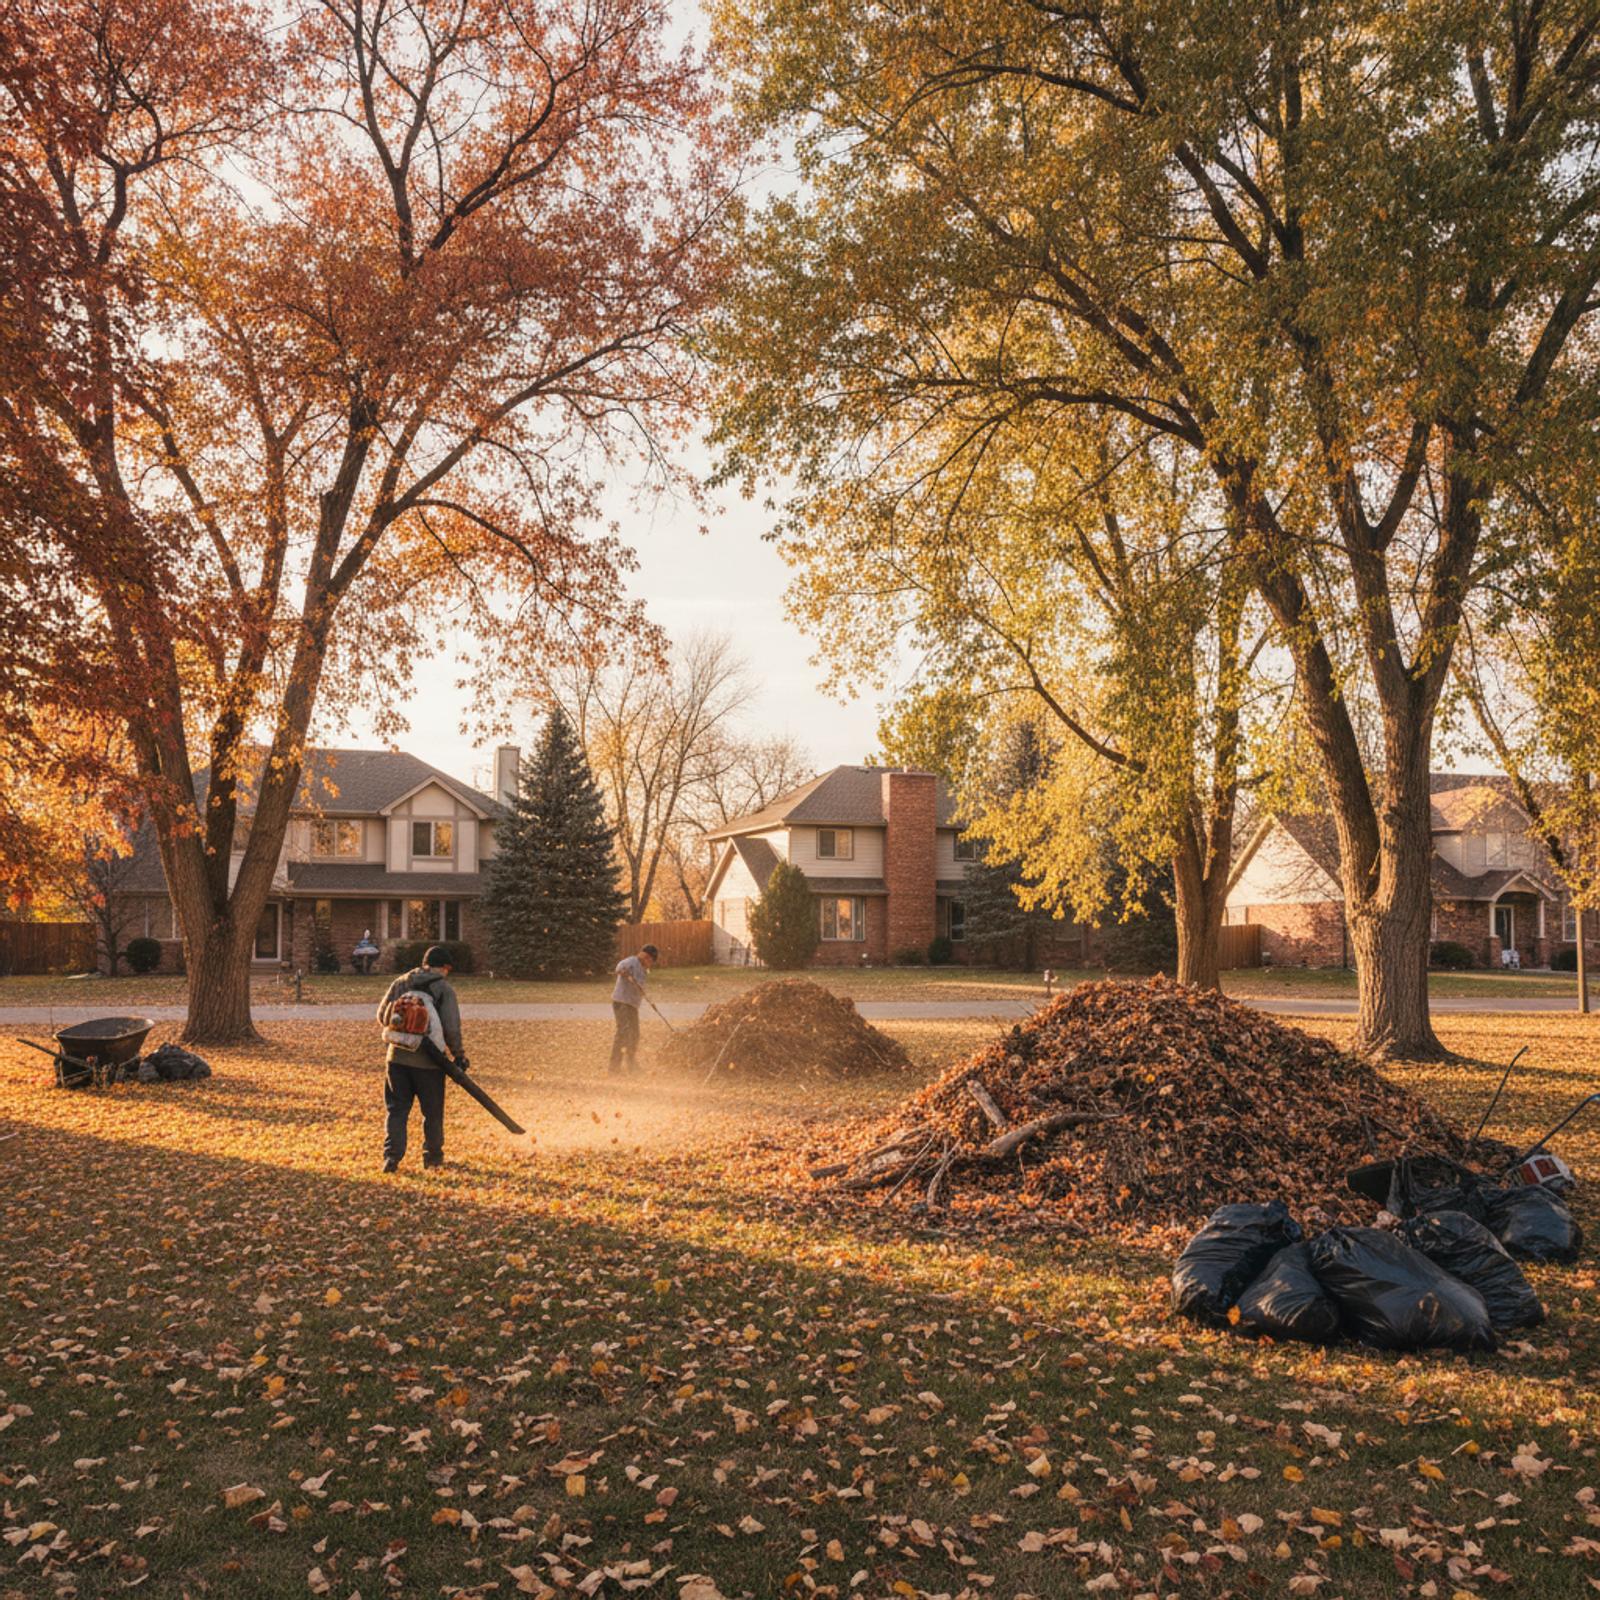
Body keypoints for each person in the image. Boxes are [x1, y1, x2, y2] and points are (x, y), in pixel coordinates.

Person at [376, 944, 469, 1172]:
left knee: (397, 1110)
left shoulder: (401, 982)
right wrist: (459, 1054)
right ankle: (433, 1158)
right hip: (429, 1063)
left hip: (396, 1058)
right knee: (432, 1112)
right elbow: (451, 1027)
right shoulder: (443, 989)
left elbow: (381, 1016)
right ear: (445, 967)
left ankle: (392, 1158)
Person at [609, 943, 659, 1073]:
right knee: (623, 1033)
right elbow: (619, 968)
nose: (650, 964)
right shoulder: (631, 961)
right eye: (651, 961)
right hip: (622, 1002)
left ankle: (631, 1064)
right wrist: (623, 973)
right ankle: (614, 1068)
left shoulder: (642, 970)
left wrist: (644, 993)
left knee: (634, 1034)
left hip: (632, 1005)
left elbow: (639, 986)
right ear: (646, 956)